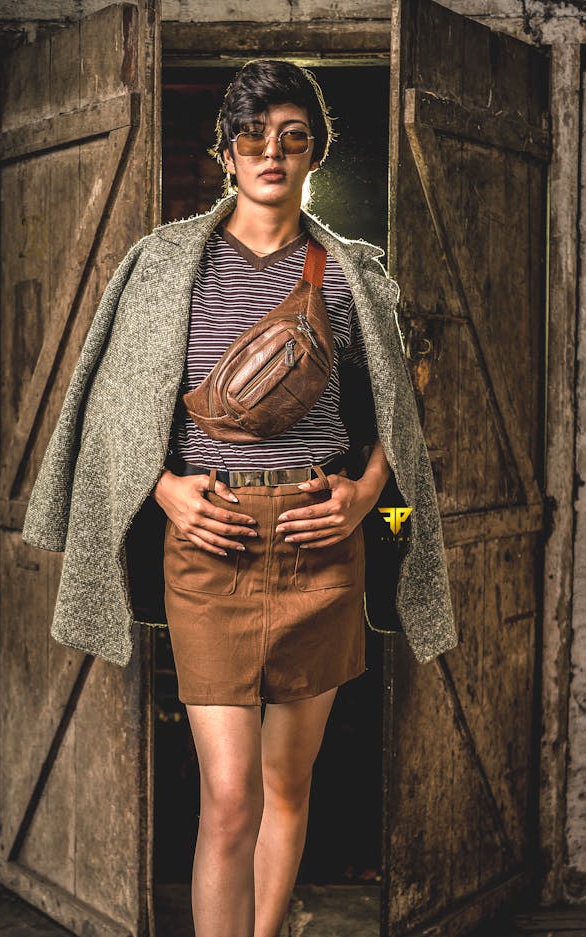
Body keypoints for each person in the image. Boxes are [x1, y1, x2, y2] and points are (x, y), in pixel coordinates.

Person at [150, 59, 392, 937]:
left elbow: (401, 410)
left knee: (288, 786)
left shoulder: (351, 274)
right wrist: (167, 489)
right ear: (226, 154)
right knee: (228, 796)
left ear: (314, 153)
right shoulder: (169, 269)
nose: (272, 153)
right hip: (211, 547)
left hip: (318, 544)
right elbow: (114, 412)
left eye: (293, 137)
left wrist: (364, 496)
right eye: (254, 136)